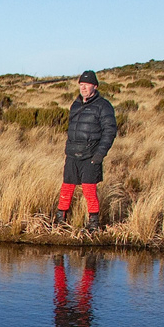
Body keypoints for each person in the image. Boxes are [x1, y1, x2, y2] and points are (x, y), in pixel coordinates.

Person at [49, 70, 118, 231]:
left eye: (87, 85)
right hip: (72, 154)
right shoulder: (76, 104)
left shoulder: (103, 106)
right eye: (81, 84)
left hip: (91, 155)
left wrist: (99, 154)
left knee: (89, 188)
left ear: (95, 86)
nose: (83, 88)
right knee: (67, 187)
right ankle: (60, 219)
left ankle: (93, 224)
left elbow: (110, 132)